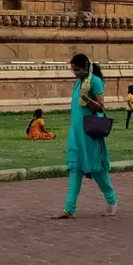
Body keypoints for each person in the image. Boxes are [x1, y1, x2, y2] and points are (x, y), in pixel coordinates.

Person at [54, 54, 116, 219]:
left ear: (86, 68)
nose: (75, 73)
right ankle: (69, 208)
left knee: (96, 169)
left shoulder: (94, 81)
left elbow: (101, 108)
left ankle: (111, 201)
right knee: (75, 168)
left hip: (89, 134)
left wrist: (86, 98)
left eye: (78, 69)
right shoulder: (77, 83)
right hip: (76, 134)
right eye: (73, 69)